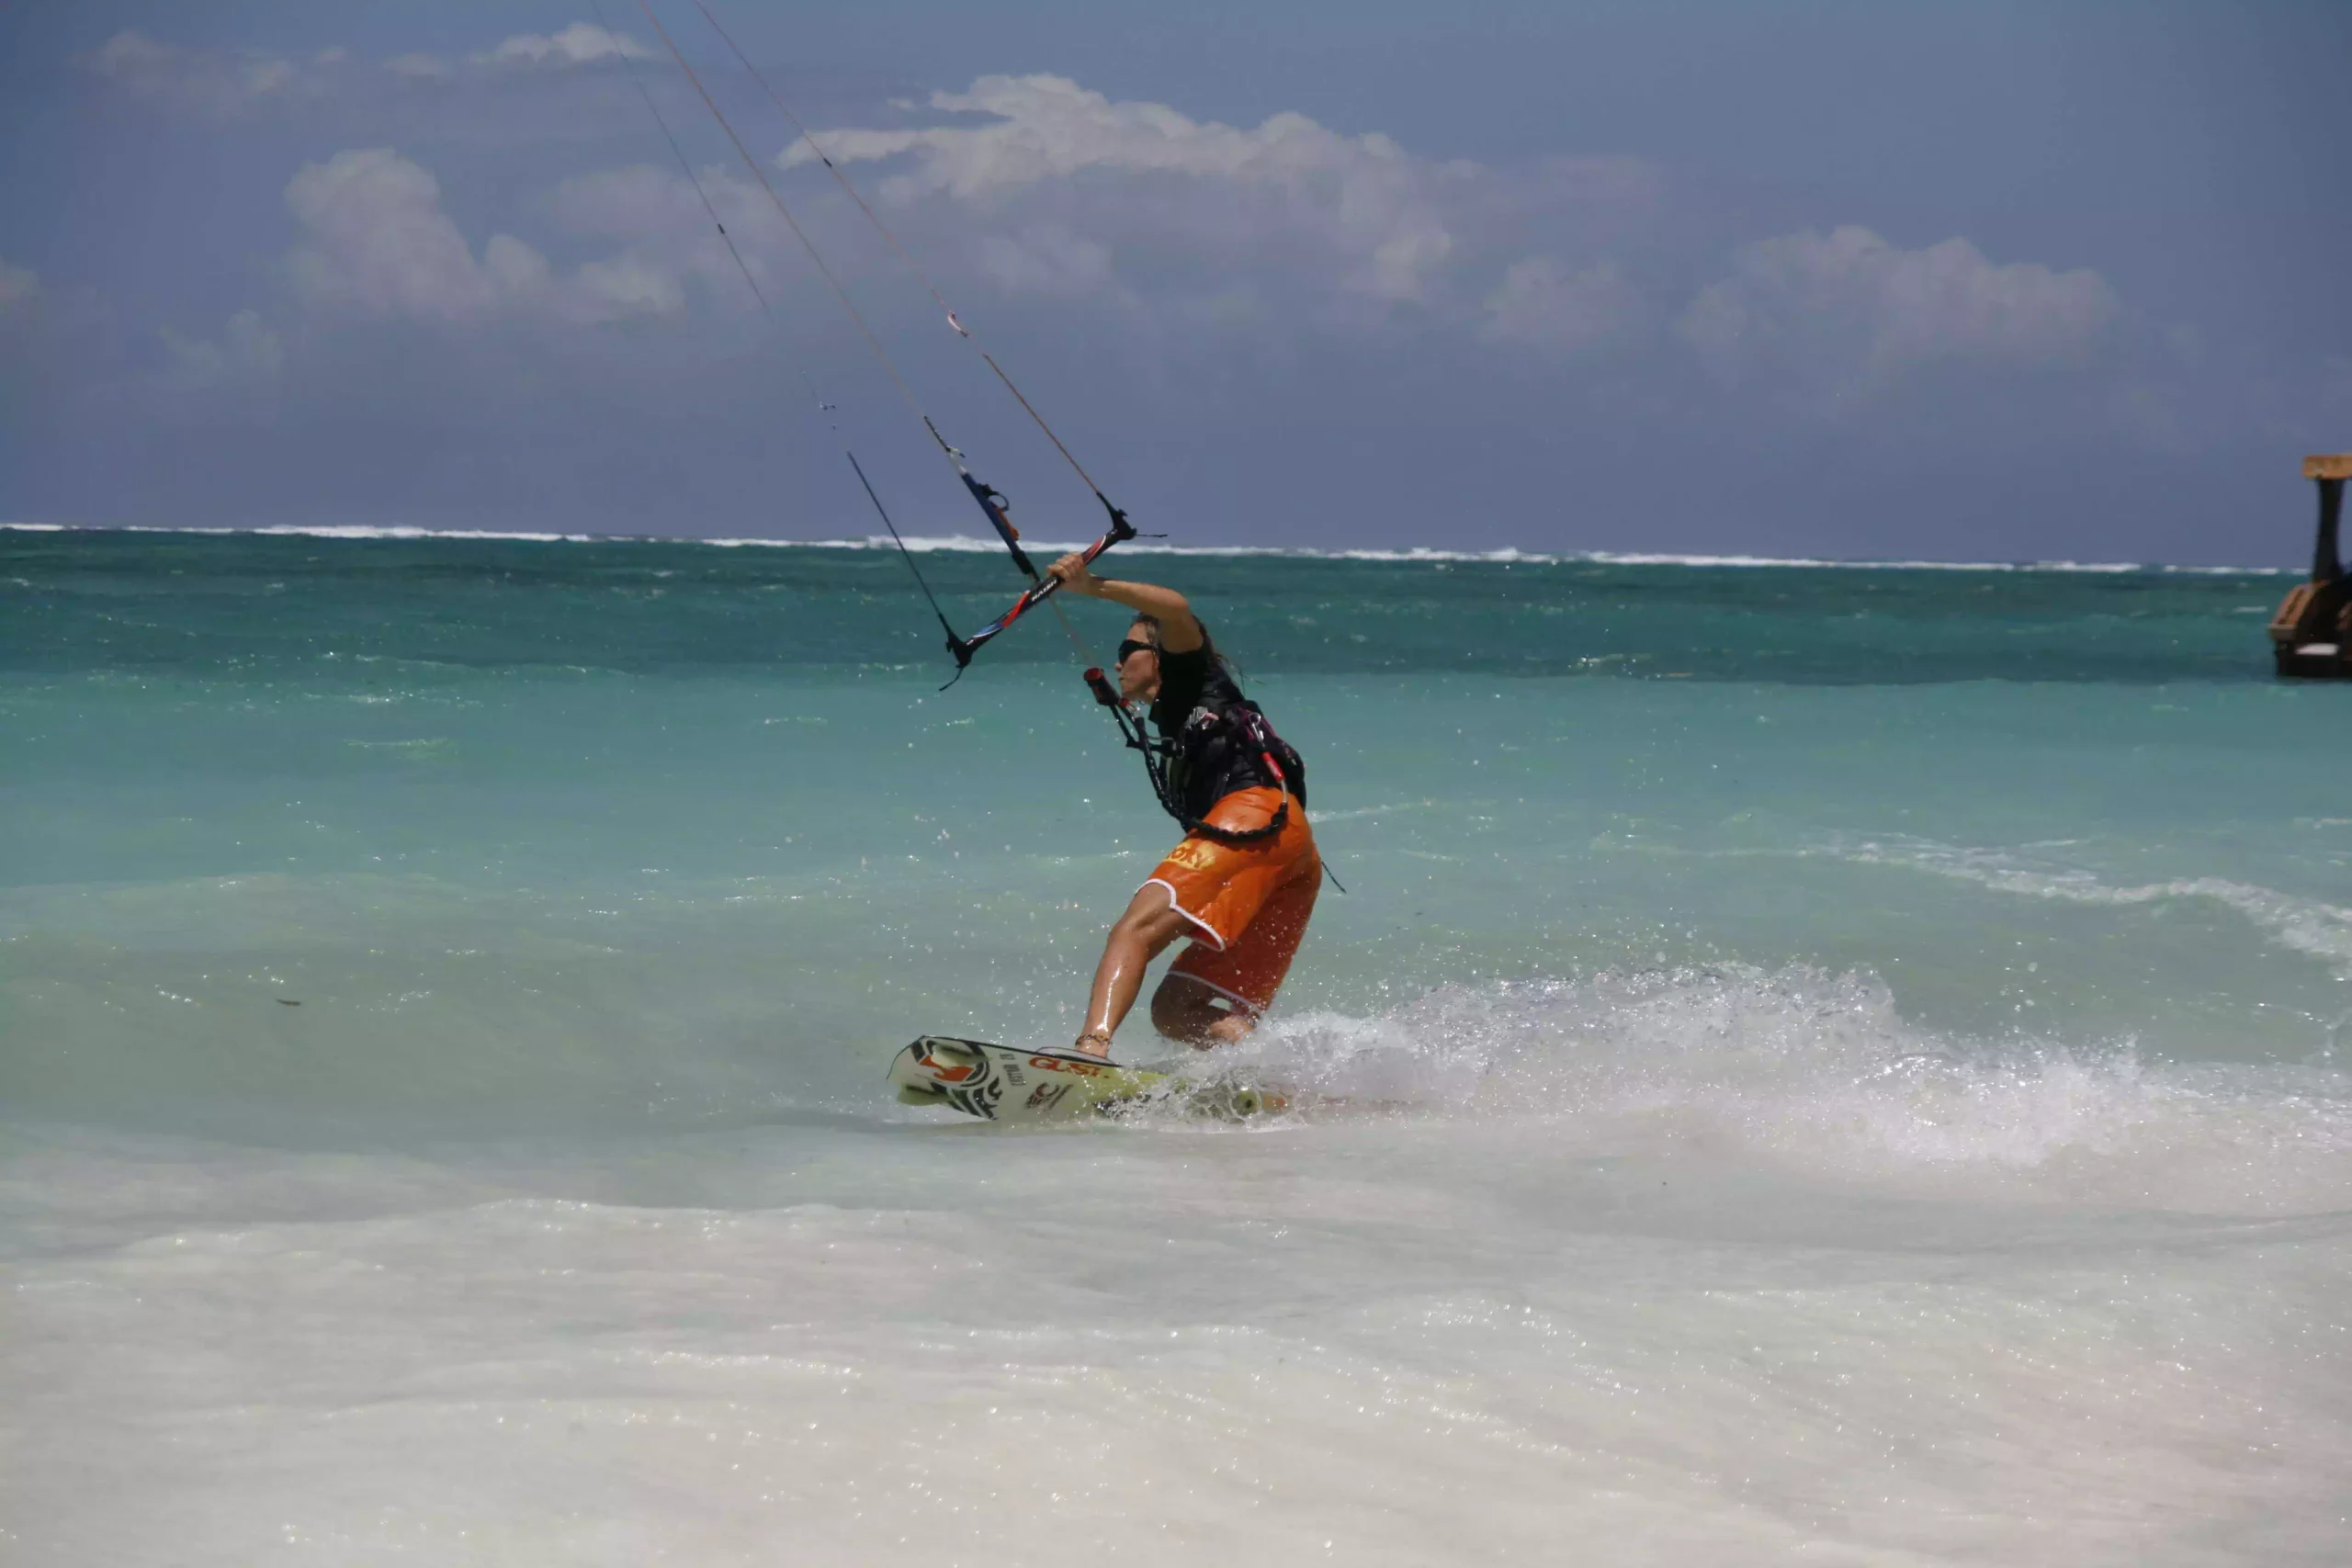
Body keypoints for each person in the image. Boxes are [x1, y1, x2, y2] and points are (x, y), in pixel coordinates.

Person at [1046, 552, 1319, 1057]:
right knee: (1176, 1010)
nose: (1117, 661)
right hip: (1289, 851)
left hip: (1255, 818)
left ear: (1161, 656)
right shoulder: (1176, 721)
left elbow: (1175, 608)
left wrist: (1092, 586)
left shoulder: (1196, 678)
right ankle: (1288, 1067)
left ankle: (1089, 1051)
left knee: (1134, 930)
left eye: (1128, 649)